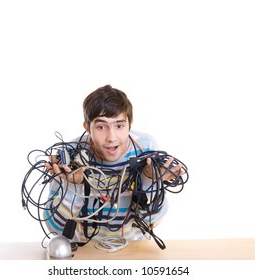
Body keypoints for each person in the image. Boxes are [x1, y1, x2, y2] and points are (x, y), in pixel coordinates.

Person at [43, 85, 184, 245]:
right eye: (101, 127)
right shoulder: (70, 156)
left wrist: (148, 180)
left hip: (133, 248)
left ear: (130, 123)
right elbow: (56, 230)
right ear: (87, 128)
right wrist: (71, 187)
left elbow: (153, 221)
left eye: (119, 125)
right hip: (87, 250)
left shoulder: (145, 149)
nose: (111, 137)